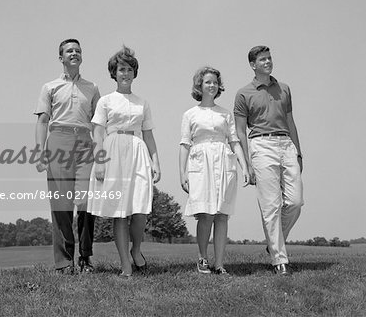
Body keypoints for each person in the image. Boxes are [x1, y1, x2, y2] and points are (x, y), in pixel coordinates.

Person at [87, 46, 161, 278]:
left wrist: (155, 162)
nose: (125, 73)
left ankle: (136, 250)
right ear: (114, 73)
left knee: (140, 209)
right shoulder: (106, 101)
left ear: (134, 72)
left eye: (129, 69)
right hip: (112, 152)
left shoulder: (142, 102)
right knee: (119, 212)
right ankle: (125, 266)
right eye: (121, 69)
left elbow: (148, 134)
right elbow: (98, 133)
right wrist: (99, 162)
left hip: (137, 152)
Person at [234, 46, 304, 275]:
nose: (268, 62)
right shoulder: (244, 94)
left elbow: (291, 122)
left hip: (286, 144)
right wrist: (247, 162)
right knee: (271, 205)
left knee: (295, 201)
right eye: (263, 59)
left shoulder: (284, 89)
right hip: (261, 146)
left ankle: (274, 242)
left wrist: (298, 152)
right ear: (253, 65)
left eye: (269, 58)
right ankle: (279, 259)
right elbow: (240, 132)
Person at [34, 38, 100, 274]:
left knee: (86, 201)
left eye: (78, 50)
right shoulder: (49, 87)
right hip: (58, 141)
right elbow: (42, 121)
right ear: (60, 58)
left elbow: (98, 124)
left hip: (84, 142)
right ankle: (64, 261)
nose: (74, 53)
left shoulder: (92, 88)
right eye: (69, 51)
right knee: (60, 204)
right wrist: (40, 151)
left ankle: (85, 256)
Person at [179, 66, 250, 275]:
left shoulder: (225, 113)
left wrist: (244, 166)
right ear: (199, 85)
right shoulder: (190, 114)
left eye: (215, 82)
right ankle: (202, 258)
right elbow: (184, 144)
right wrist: (182, 173)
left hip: (223, 161)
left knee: (221, 214)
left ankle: (219, 264)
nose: (212, 85)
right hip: (200, 163)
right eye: (208, 82)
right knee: (205, 214)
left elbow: (235, 141)